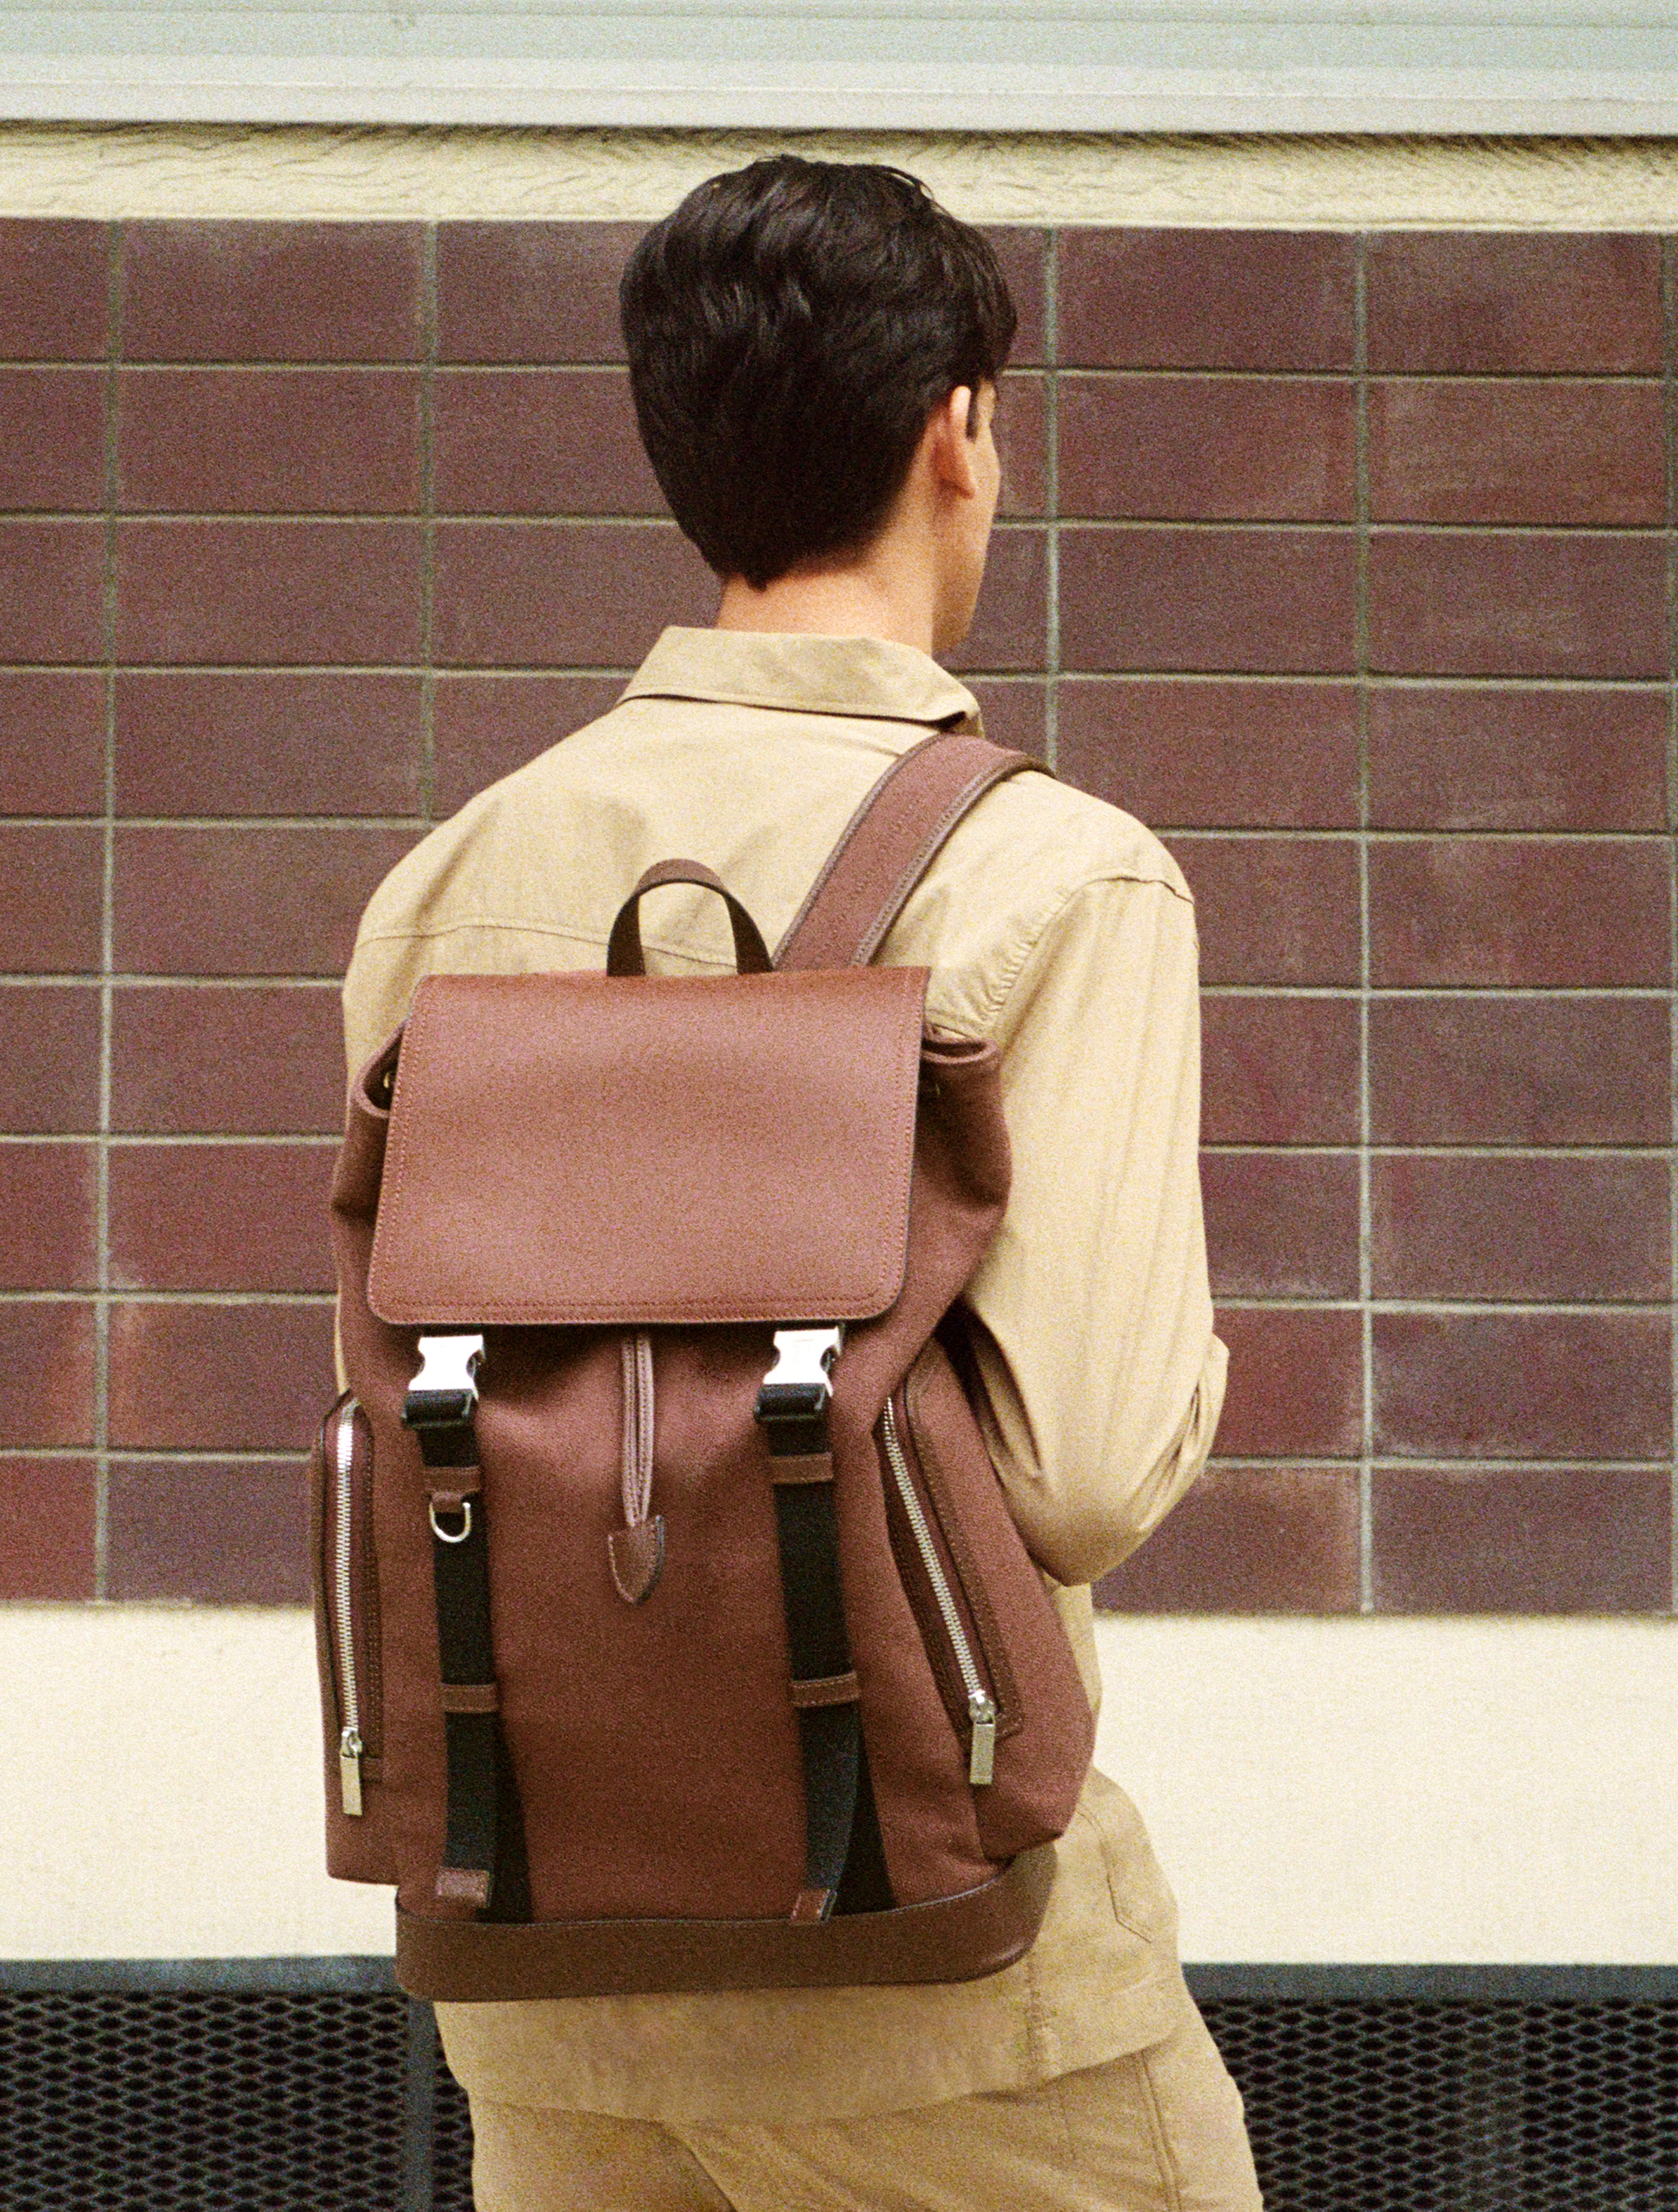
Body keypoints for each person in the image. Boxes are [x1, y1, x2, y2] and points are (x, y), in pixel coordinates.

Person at [342, 155, 1262, 2212]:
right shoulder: (1056, 871)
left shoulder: (458, 881)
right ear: (959, 430)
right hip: (939, 1972)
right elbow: (1082, 1472)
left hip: (552, 1961)